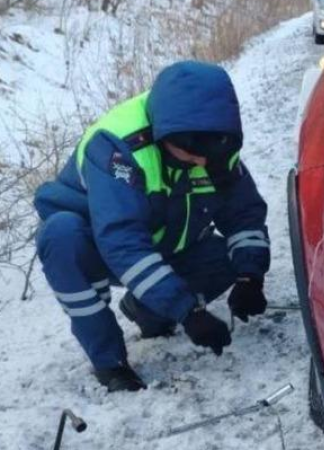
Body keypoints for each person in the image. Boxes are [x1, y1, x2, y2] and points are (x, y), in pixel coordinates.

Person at [33, 61, 271, 392]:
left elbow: (244, 214)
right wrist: (189, 312)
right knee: (61, 236)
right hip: (99, 247)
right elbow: (123, 241)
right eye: (188, 153)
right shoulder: (117, 148)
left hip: (167, 242)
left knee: (227, 258)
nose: (199, 162)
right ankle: (109, 362)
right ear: (164, 134)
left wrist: (250, 276)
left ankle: (149, 310)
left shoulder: (214, 145)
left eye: (206, 154)